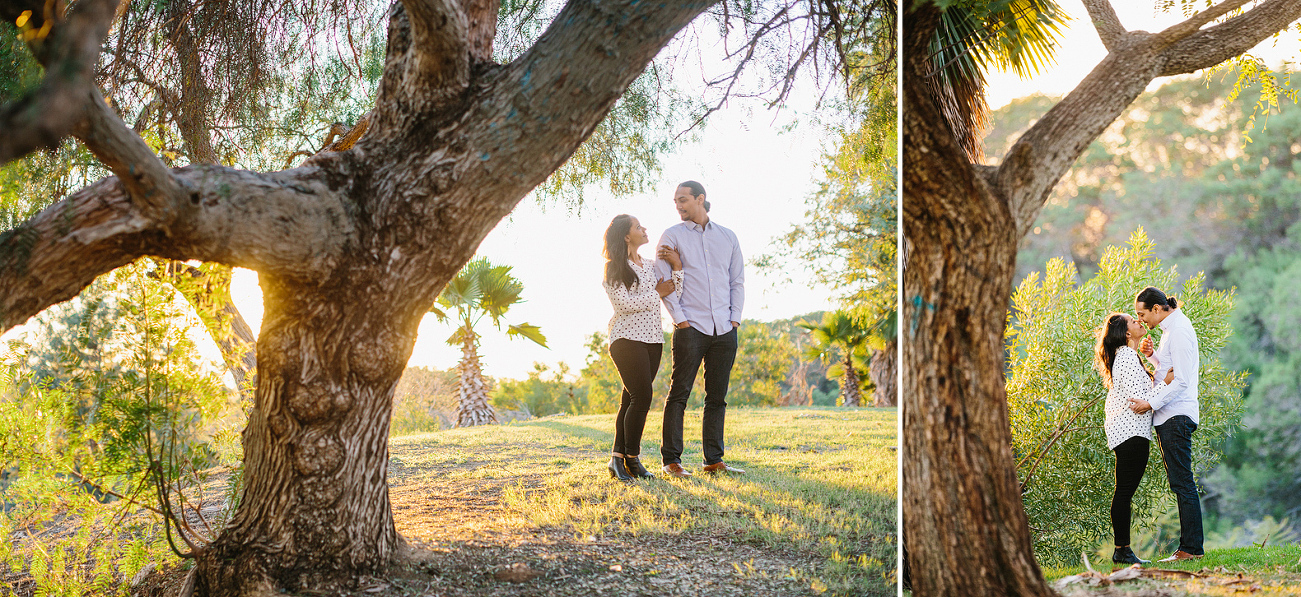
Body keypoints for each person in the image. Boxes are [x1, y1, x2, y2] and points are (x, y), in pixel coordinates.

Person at [653, 180, 745, 478]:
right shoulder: (671, 236)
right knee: (679, 393)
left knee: (717, 397)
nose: (678, 205)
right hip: (690, 326)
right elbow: (663, 283)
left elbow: (736, 281)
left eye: (683, 200)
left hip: (724, 328)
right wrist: (679, 319)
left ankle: (714, 460)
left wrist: (734, 318)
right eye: (675, 201)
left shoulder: (728, 237)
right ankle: (671, 461)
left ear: (700, 199)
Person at [601, 214, 682, 483]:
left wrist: (677, 266)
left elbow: (672, 291)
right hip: (625, 340)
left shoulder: (650, 266)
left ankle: (617, 459)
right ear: (626, 236)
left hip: (653, 341)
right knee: (642, 397)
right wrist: (656, 293)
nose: (644, 228)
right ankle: (632, 459)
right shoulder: (615, 267)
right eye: (638, 226)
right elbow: (623, 304)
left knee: (631, 399)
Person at [1128, 286, 1204, 562]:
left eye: (1142, 314)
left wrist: (1150, 403)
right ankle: (1190, 547)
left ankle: (1191, 549)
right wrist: (1152, 356)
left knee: (1182, 482)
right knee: (1180, 482)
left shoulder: (1180, 330)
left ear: (1157, 309)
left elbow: (1181, 379)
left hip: (1176, 415)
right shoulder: (1170, 331)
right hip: (1169, 415)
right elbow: (1167, 373)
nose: (1142, 321)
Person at [1095, 312, 1168, 566]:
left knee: (1124, 491)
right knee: (1124, 492)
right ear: (1127, 333)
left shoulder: (1127, 357)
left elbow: (1142, 395)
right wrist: (1167, 382)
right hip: (1130, 431)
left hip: (1128, 431)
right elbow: (1140, 401)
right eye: (1133, 321)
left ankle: (1122, 549)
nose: (1139, 322)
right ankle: (1122, 550)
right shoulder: (1125, 357)